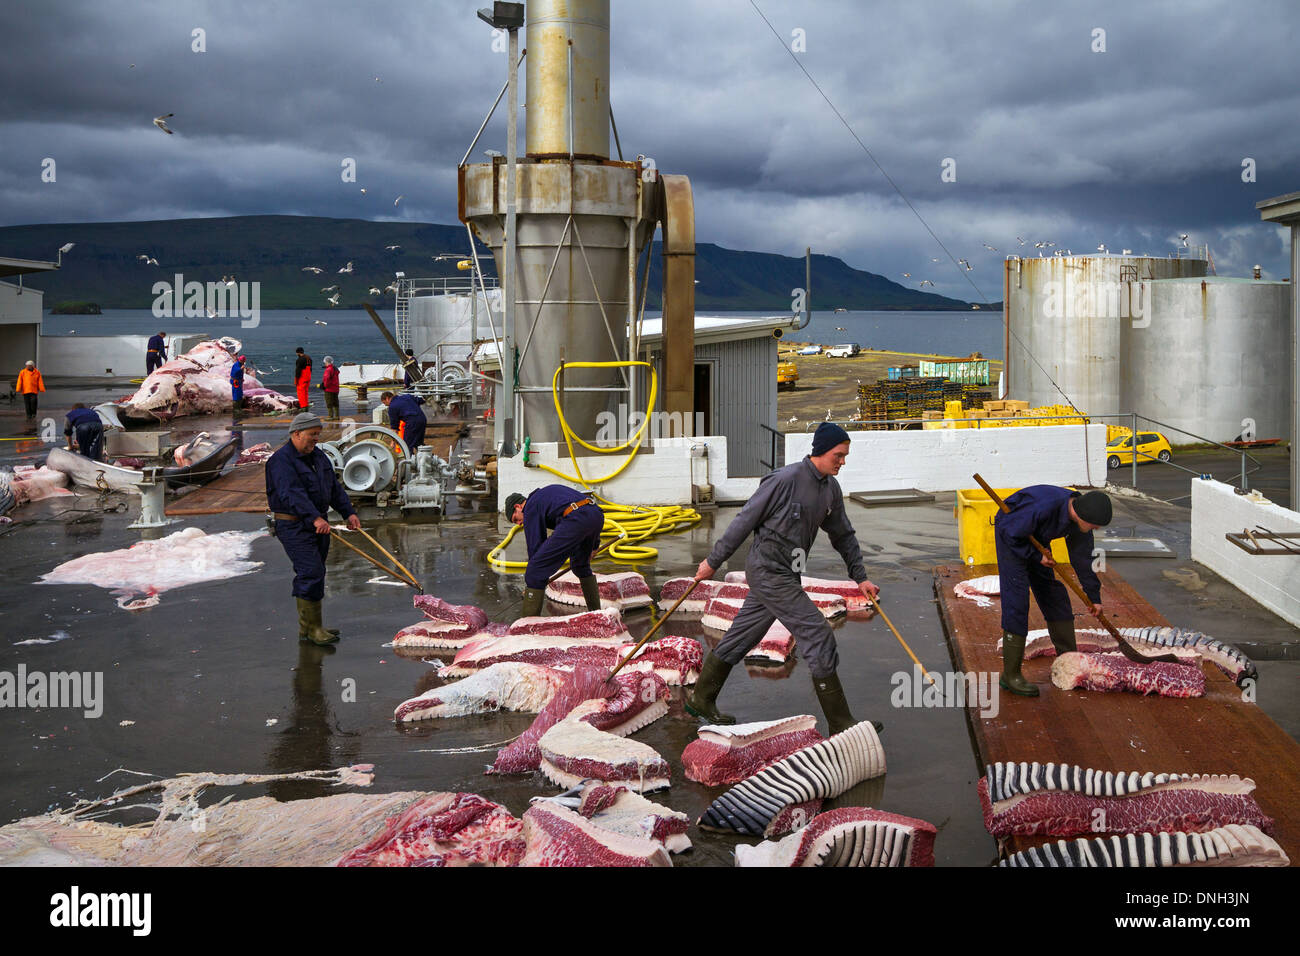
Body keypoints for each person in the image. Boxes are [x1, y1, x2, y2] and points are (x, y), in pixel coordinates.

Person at [685, 422, 881, 736]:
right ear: (820, 451)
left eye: (845, 455)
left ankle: (701, 697)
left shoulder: (831, 490)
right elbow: (745, 519)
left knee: (742, 635)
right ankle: (841, 722)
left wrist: (860, 577)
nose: (843, 461)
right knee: (818, 635)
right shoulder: (785, 480)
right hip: (767, 571)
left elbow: (843, 536)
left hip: (788, 574)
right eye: (839, 455)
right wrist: (713, 561)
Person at [994, 485, 1112, 697]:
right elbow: (1010, 532)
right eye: (1095, 526)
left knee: (1054, 594)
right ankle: (1010, 676)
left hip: (1035, 536)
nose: (1095, 529)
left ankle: (1069, 661)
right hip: (1012, 532)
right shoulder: (1044, 507)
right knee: (1017, 599)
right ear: (1083, 516)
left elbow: (1084, 559)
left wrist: (1094, 597)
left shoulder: (1080, 521)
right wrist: (1036, 555)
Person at [265, 412, 362, 645]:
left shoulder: (318, 457)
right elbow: (291, 494)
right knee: (310, 571)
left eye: (318, 435)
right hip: (293, 525)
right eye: (312, 435)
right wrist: (314, 518)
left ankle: (311, 628)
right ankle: (311, 630)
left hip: (317, 524)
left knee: (317, 571)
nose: (316, 440)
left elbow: (333, 488)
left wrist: (348, 512)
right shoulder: (281, 461)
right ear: (296, 434)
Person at [505, 487, 604, 616]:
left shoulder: (530, 506)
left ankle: (527, 629)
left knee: (534, 571)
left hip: (576, 519)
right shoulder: (542, 497)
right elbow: (587, 514)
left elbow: (535, 546)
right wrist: (594, 546)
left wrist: (535, 581)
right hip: (596, 515)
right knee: (580, 566)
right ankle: (597, 616)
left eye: (515, 519)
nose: (518, 524)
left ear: (518, 506)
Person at [16, 360, 44, 428]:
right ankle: (28, 415)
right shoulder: (22, 372)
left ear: (32, 366)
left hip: (34, 390)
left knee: (33, 402)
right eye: (27, 365)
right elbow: (20, 380)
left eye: (29, 365)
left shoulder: (37, 372)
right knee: (27, 403)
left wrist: (41, 388)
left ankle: (34, 413)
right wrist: (18, 388)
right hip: (26, 390)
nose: (27, 366)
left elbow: (40, 381)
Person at [321, 355, 340, 420]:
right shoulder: (335, 368)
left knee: (329, 403)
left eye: (325, 362)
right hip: (336, 388)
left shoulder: (328, 370)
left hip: (329, 389)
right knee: (335, 402)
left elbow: (326, 379)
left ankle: (330, 416)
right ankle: (337, 416)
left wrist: (324, 386)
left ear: (326, 362)